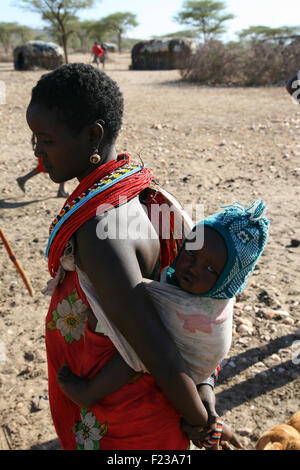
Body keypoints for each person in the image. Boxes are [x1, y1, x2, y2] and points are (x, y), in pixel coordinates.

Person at [27, 63, 241, 450]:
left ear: (93, 136)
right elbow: (180, 307)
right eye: (33, 138)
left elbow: (155, 350)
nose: (37, 151)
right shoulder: (140, 190)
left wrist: (202, 424)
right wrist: (204, 393)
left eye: (46, 139)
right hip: (148, 405)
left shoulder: (100, 230)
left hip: (125, 426)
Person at [57, 201, 269, 427]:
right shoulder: (192, 287)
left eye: (210, 269)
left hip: (187, 372)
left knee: (142, 345)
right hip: (196, 378)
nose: (193, 268)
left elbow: (127, 300)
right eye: (191, 253)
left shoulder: (196, 306)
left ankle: (90, 392)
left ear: (228, 281)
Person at [16, 133, 69, 198]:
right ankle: (23, 179)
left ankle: (61, 189)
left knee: (63, 164)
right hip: (49, 143)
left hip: (50, 142)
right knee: (61, 164)